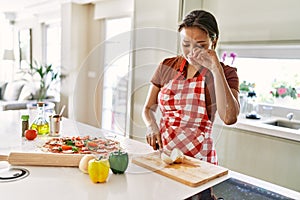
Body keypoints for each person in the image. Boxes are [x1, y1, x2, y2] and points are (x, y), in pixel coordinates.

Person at [142, 10, 240, 166]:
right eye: (185, 44)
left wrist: (216, 70)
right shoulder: (167, 66)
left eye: (200, 45)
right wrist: (151, 126)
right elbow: (148, 108)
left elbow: (229, 118)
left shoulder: (226, 73)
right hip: (164, 157)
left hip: (199, 162)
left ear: (213, 42)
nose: (191, 52)